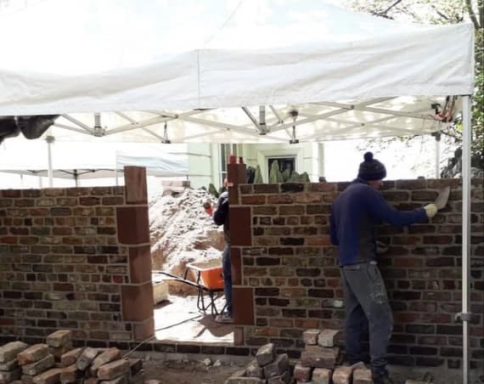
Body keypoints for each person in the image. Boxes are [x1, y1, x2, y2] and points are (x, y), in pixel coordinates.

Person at [329, 152, 438, 384]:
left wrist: (366, 239)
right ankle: (378, 372)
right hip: (362, 264)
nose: (381, 185)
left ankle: (356, 366)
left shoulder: (342, 197)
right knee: (381, 318)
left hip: (346, 264)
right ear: (372, 179)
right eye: (379, 180)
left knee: (355, 316)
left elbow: (335, 238)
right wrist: (425, 212)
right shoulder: (366, 192)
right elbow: (395, 218)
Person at [204, 183, 233, 323]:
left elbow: (217, 220)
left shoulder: (225, 196)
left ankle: (232, 313)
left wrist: (214, 212)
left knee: (229, 277)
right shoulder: (250, 194)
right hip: (249, 242)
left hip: (233, 244)